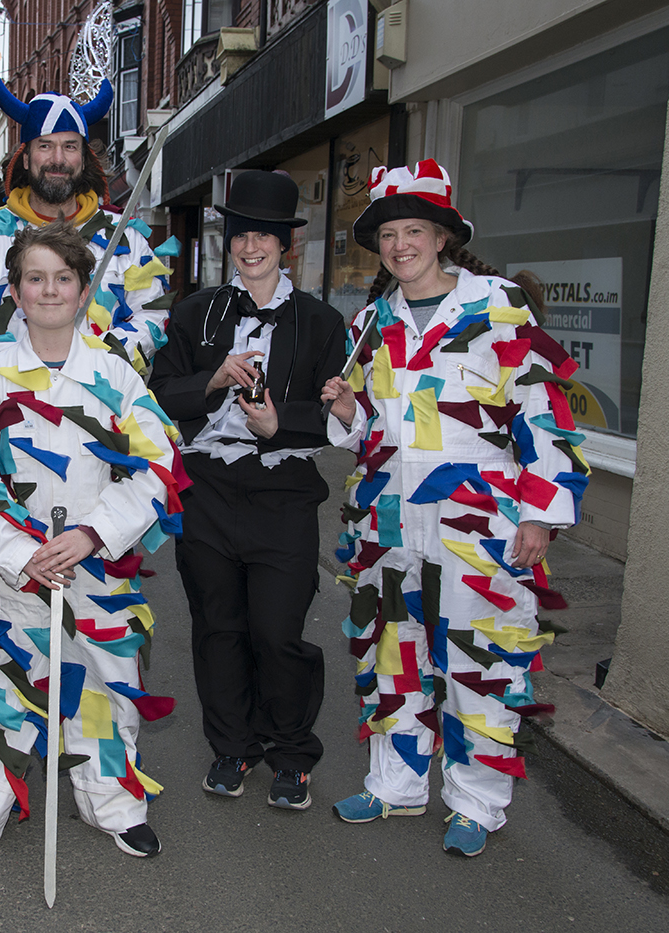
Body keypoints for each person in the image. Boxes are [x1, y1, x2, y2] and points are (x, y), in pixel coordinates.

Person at [320, 159, 588, 857]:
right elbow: (372, 427)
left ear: (442, 237)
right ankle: (396, 785)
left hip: (477, 520)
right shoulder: (375, 320)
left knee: (479, 660)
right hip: (388, 518)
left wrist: (538, 511)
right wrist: (350, 411)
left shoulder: (499, 306)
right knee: (393, 653)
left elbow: (545, 413)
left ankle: (477, 800)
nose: (400, 244)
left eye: (414, 230)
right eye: (388, 234)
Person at [0, 222, 185, 870]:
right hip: (14, 570)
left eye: (62, 278)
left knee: (107, 685)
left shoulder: (117, 377)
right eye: (34, 278)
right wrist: (20, 551)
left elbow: (156, 463)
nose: (48, 290)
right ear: (15, 290)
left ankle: (115, 804)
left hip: (94, 565)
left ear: (83, 289)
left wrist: (91, 533)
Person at [149, 170, 347, 811]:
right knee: (218, 629)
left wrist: (277, 422)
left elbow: (342, 414)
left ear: (286, 243)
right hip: (206, 490)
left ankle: (291, 753)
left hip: (283, 493)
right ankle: (231, 748)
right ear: (228, 241)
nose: (251, 247)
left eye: (264, 235)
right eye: (241, 235)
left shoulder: (321, 322)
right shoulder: (195, 312)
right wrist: (212, 383)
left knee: (278, 632)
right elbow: (157, 395)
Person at [0, 75, 177, 375]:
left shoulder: (125, 237)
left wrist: (96, 359)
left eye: (70, 146)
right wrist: (31, 364)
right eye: (45, 145)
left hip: (105, 398)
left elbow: (151, 314)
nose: (57, 159)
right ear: (25, 158)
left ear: (83, 159)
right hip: (12, 401)